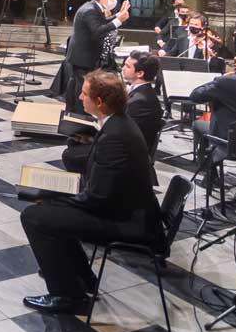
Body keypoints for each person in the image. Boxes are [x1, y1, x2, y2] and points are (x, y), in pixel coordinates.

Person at [20, 70, 161, 313]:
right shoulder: (117, 123)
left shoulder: (115, 136)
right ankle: (82, 278)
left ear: (99, 102)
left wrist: (58, 197)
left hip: (126, 221)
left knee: (33, 216)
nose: (79, 96)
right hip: (124, 208)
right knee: (47, 209)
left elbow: (98, 198)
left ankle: (68, 297)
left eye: (84, 93)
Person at [65, 0, 128, 108]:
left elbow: (103, 22)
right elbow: (98, 30)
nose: (114, 0)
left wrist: (119, 15)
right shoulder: (90, 10)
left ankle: (74, 109)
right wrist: (118, 21)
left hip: (85, 54)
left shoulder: (94, 8)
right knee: (81, 86)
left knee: (77, 83)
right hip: (82, 56)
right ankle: (79, 111)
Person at [121, 50, 163, 160]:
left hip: (130, 156)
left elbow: (125, 134)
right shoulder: (142, 92)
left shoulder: (140, 102)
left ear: (140, 73)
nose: (123, 68)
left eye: (127, 66)